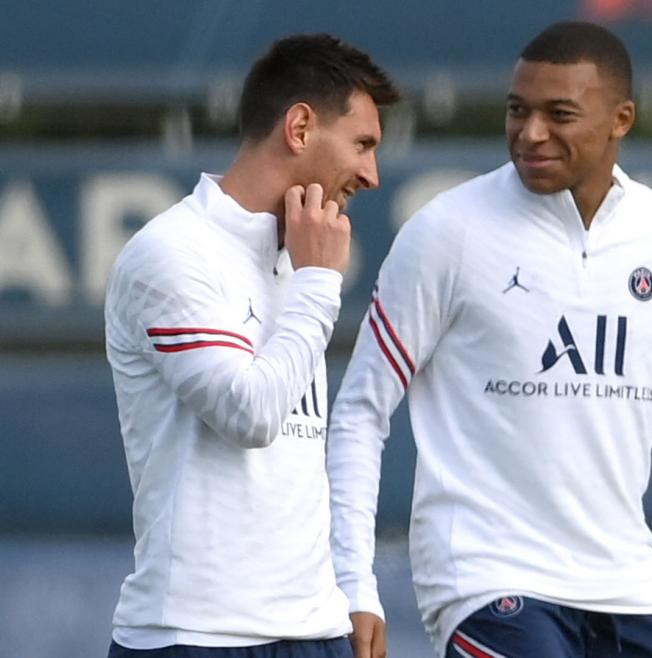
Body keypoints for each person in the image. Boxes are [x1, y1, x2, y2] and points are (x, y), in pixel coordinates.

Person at [328, 20, 652, 658]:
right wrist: (354, 583)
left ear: (621, 119)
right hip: (486, 579)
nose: (530, 132)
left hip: (630, 585)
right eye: (518, 110)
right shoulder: (445, 231)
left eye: (559, 114)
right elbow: (359, 413)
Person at [103, 33, 398, 658]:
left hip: (317, 631)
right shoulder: (170, 253)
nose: (372, 174)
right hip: (195, 638)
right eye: (363, 144)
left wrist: (353, 586)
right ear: (299, 127)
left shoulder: (298, 258)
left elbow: (305, 460)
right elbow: (251, 414)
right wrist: (319, 283)